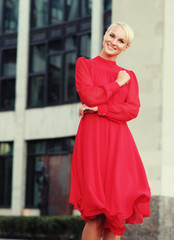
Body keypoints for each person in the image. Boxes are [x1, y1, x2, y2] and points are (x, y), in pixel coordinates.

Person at [69, 22, 151, 240]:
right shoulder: (84, 64)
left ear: (126, 47)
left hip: (119, 146)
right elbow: (89, 97)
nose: (114, 42)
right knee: (95, 216)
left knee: (115, 217)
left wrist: (100, 109)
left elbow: (132, 110)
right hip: (92, 143)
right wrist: (116, 84)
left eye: (121, 41)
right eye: (112, 35)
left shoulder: (129, 76)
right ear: (105, 34)